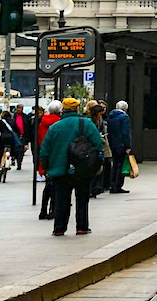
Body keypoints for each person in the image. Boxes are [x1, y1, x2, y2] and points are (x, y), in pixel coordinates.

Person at [38, 97, 105, 236]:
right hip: (82, 168)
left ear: (63, 110)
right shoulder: (86, 124)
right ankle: (82, 227)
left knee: (61, 200)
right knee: (82, 198)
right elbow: (98, 144)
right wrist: (97, 162)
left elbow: (44, 150)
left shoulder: (54, 127)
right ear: (77, 108)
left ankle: (59, 228)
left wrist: (46, 167)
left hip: (60, 170)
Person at [36, 100, 62, 220]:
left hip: (45, 155)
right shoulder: (59, 123)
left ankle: (43, 210)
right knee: (56, 186)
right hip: (56, 156)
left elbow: (40, 138)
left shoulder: (42, 122)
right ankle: (53, 210)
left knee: (48, 186)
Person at [87, 101, 113, 198]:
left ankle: (95, 188)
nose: (101, 116)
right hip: (94, 148)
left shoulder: (97, 121)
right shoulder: (90, 123)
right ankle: (93, 188)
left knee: (100, 167)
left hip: (98, 147)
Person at [107, 100, 133, 194]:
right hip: (121, 144)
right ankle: (117, 185)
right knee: (120, 165)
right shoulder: (124, 117)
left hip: (113, 144)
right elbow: (125, 132)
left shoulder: (111, 117)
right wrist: (128, 146)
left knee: (115, 164)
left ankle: (112, 184)